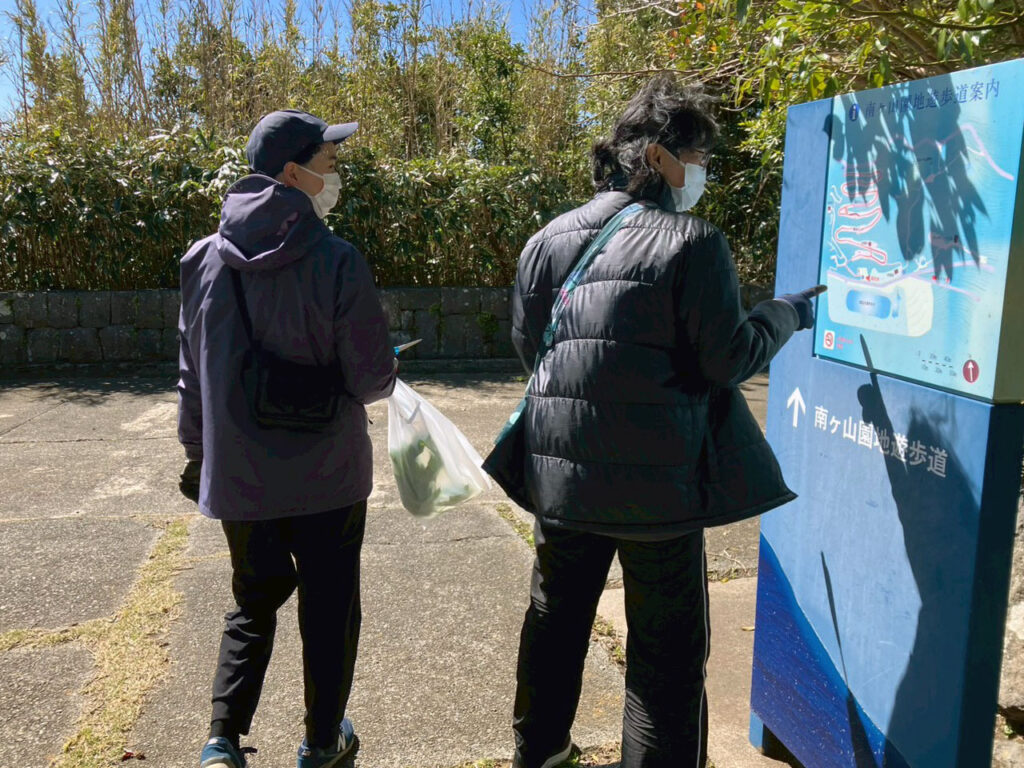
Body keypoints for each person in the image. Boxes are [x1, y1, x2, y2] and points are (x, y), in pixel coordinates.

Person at [507, 75, 824, 768]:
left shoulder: (546, 239)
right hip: (659, 493)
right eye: (697, 157)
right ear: (656, 156)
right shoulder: (692, 242)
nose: (701, 173)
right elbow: (728, 359)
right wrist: (785, 314)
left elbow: (534, 351)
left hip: (561, 481)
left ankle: (540, 753)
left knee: (555, 624)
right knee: (666, 658)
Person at [177, 109, 397, 768]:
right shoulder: (337, 259)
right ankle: (323, 744)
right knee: (330, 608)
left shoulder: (202, 261)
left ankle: (221, 742)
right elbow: (372, 379)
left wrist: (198, 456)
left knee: (252, 601)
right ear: (294, 172)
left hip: (238, 475)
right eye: (329, 161)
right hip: (328, 473)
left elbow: (191, 376)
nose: (336, 173)